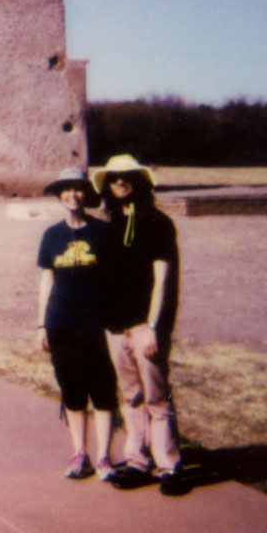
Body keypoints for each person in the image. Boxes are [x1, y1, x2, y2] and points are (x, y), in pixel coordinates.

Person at [91, 153, 183, 491]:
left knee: (157, 397)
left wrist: (154, 326)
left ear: (139, 181)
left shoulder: (157, 223)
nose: (119, 182)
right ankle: (137, 461)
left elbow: (162, 280)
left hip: (145, 324)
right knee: (130, 396)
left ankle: (169, 467)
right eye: (114, 179)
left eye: (126, 177)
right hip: (116, 324)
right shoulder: (108, 225)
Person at [36, 167, 118, 481]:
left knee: (103, 390)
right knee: (72, 390)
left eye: (78, 189)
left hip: (96, 323)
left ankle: (104, 457)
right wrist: (41, 324)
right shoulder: (52, 235)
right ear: (59, 196)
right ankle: (79, 453)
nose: (72, 195)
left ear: (87, 193)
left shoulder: (102, 232)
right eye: (66, 190)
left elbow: (114, 280)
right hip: (61, 323)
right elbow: (46, 279)